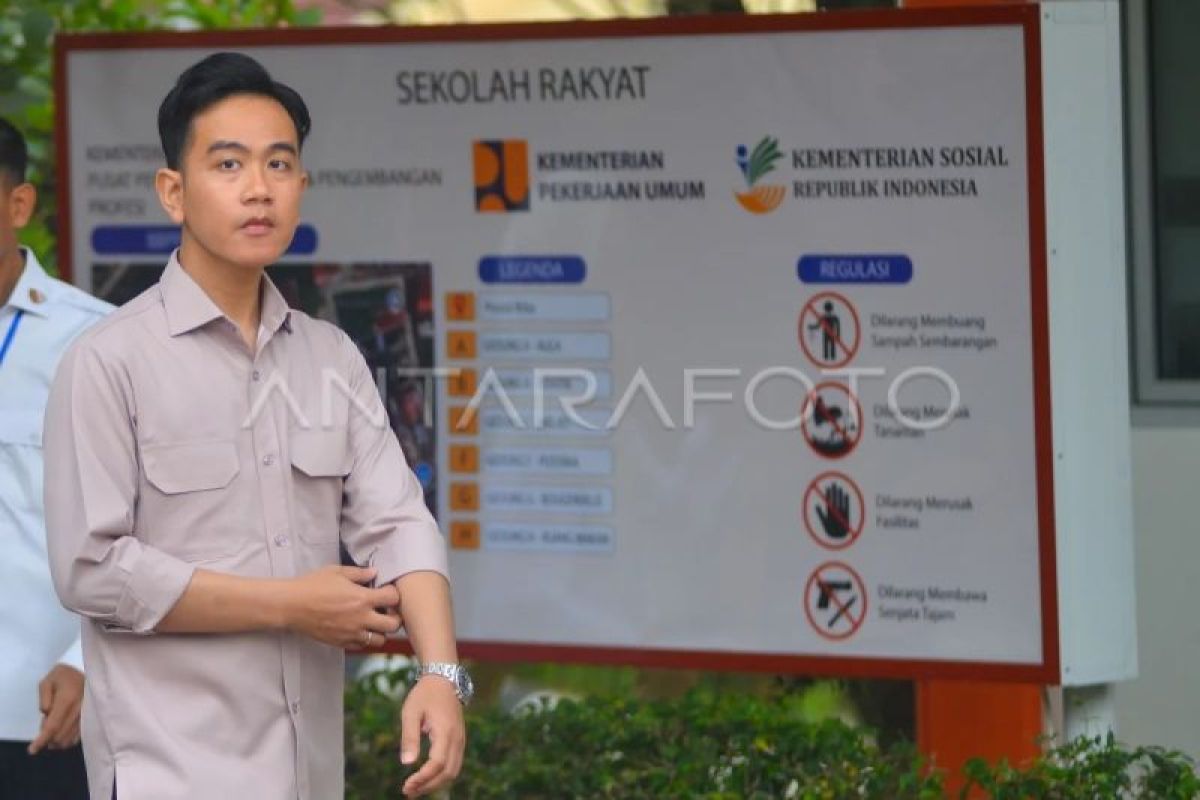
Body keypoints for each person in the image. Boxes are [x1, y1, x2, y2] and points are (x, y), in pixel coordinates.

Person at [43, 53, 468, 800]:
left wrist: (438, 672)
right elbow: (92, 569)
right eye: (228, 164)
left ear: (301, 185)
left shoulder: (331, 356)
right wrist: (291, 604)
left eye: (279, 163)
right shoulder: (108, 361)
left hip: (308, 776)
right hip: (170, 776)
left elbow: (398, 520)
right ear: (173, 192)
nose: (258, 188)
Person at [0, 116, 111, 800]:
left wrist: (88, 660)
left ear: (18, 205)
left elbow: (147, 527)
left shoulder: (93, 341)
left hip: (44, 711)